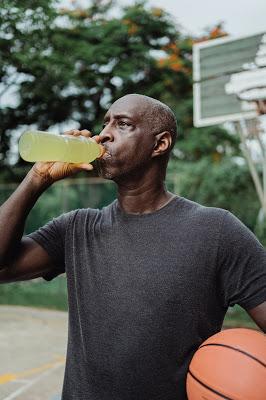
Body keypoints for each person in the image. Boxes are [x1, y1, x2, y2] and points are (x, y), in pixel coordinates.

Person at [0, 94, 265, 400]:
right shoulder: (77, 228)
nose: (105, 134)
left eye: (123, 124)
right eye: (105, 123)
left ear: (160, 144)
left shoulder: (216, 231)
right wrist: (36, 179)